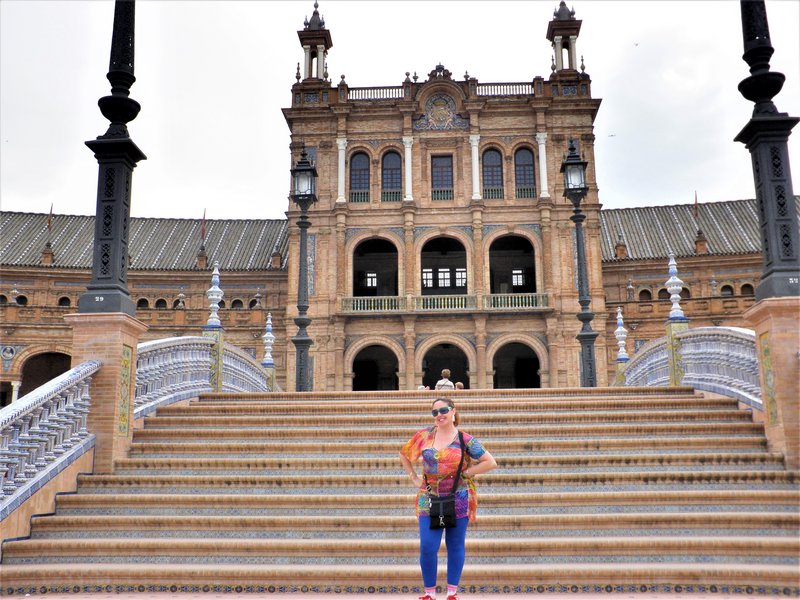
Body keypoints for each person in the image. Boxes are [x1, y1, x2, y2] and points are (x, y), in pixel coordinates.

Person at [399, 397, 497, 600]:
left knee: (455, 544)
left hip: (458, 497)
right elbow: (404, 454)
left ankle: (452, 592)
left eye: (443, 410)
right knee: (427, 545)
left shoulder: (465, 439)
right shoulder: (424, 436)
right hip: (429, 497)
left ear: (453, 411)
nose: (439, 415)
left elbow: (490, 462)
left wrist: (468, 473)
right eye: (434, 412)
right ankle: (429, 593)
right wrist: (414, 477)